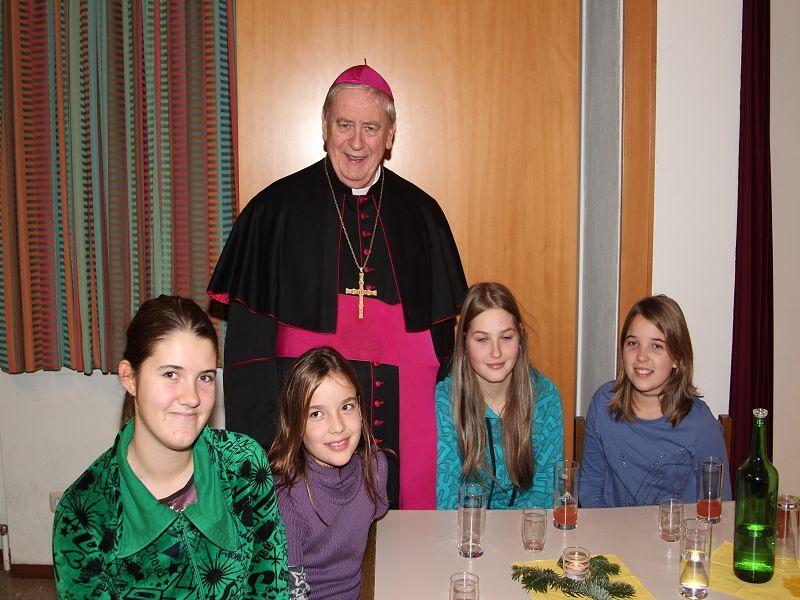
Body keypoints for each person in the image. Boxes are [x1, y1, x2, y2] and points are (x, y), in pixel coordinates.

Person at [208, 62, 467, 509]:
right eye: (345, 124)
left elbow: (445, 360)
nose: (356, 142)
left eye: (371, 128)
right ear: (325, 127)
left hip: (408, 448)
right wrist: (262, 462)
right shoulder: (273, 213)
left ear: (390, 135)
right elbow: (247, 361)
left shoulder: (424, 216)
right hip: (302, 452)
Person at [52, 296, 288, 598]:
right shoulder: (84, 513)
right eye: (171, 374)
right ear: (130, 378)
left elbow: (272, 588)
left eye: (204, 377)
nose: (192, 397)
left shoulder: (244, 464)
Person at [580, 294, 733, 507]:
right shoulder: (603, 404)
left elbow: (718, 504)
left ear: (677, 358)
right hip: (611, 527)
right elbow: (590, 485)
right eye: (633, 343)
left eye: (657, 346)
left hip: (677, 528)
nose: (641, 356)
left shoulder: (700, 423)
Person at [268, 346, 388, 600]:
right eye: (317, 413)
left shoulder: (375, 467)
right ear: (295, 424)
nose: (337, 426)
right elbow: (291, 592)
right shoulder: (286, 497)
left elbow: (374, 541)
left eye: (346, 407)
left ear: (360, 409)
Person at [436, 282, 564, 509]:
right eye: (482, 339)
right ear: (464, 342)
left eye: (506, 337)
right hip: (466, 527)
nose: (495, 352)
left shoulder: (545, 397)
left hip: (527, 526)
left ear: (520, 336)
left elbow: (546, 494)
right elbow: (446, 501)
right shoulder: (445, 401)